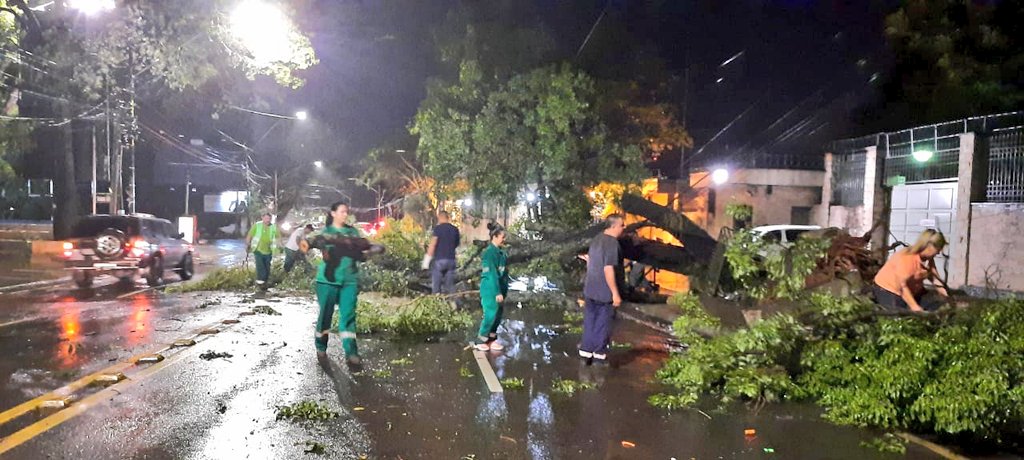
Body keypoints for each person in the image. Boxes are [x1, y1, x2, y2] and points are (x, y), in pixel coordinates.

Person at [307, 202, 365, 366]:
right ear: (333, 213)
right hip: (327, 281)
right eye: (341, 212)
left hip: (349, 280)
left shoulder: (352, 231)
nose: (345, 214)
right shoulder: (326, 233)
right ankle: (321, 346)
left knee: (348, 316)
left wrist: (363, 252)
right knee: (325, 316)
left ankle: (351, 353)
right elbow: (320, 250)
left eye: (346, 212)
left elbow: (360, 253)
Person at [579, 214, 626, 364]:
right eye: (622, 225)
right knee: (603, 322)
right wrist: (615, 293)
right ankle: (599, 354)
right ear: (613, 226)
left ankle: (586, 351)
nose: (624, 228)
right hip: (604, 291)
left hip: (591, 288)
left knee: (590, 321)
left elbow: (590, 263)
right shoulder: (612, 243)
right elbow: (608, 269)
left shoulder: (596, 239)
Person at [873, 229, 950, 312]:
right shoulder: (906, 258)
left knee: (935, 306)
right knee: (901, 316)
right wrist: (915, 307)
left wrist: (947, 297)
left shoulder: (927, 259)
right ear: (928, 246)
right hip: (890, 291)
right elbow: (902, 287)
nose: (938, 253)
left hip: (913, 290)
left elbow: (935, 279)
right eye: (938, 249)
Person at [473, 224, 509, 351]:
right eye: (502, 237)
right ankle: (480, 339)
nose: (504, 239)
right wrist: (497, 292)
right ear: (495, 237)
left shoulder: (501, 254)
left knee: (497, 315)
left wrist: (504, 290)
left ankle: (491, 339)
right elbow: (491, 275)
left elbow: (504, 274)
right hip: (490, 290)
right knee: (490, 314)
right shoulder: (489, 254)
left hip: (500, 290)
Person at [422, 210, 461, 294]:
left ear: (440, 217)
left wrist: (426, 262)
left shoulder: (438, 229)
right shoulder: (455, 229)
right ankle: (454, 302)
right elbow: (456, 244)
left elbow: (433, 244)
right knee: (450, 285)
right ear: (448, 218)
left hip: (440, 260)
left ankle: (437, 301)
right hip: (451, 260)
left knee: (436, 285)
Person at [245, 213, 277, 288]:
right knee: (260, 267)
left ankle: (264, 282)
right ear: (262, 218)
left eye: (269, 219)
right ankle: (260, 284)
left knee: (267, 267)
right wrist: (247, 245)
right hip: (257, 250)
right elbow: (249, 235)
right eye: (266, 218)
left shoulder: (273, 227)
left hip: (268, 251)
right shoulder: (257, 225)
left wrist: (279, 248)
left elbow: (277, 238)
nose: (267, 220)